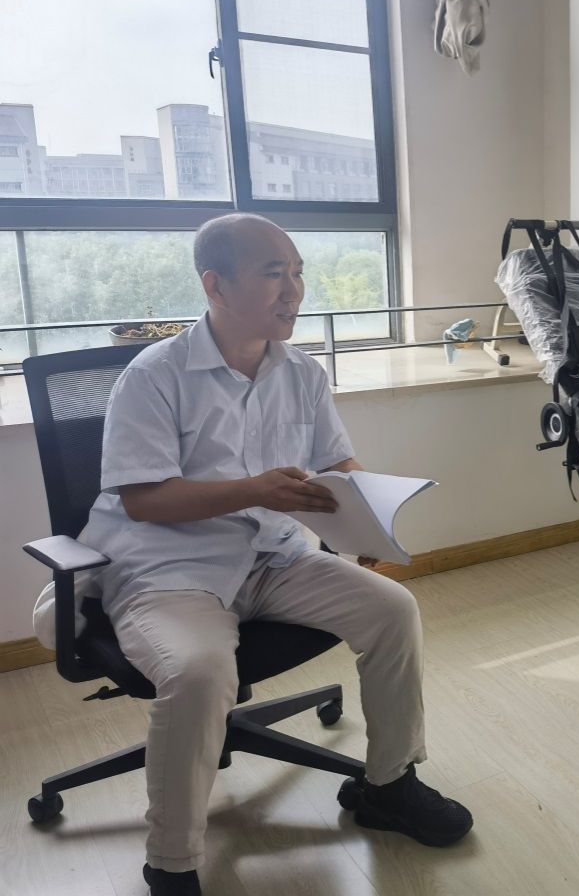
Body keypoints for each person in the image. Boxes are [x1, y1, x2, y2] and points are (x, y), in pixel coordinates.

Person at [78, 214, 472, 896]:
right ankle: (171, 863)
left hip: (272, 557)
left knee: (393, 612)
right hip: (169, 569)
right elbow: (143, 499)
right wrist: (255, 490)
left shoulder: (301, 372)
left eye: (297, 274)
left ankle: (387, 786)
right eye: (272, 274)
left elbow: (336, 462)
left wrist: (363, 520)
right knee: (200, 671)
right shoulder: (156, 375)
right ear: (215, 285)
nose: (293, 290)